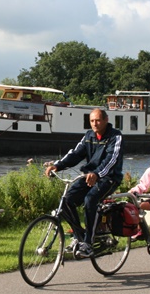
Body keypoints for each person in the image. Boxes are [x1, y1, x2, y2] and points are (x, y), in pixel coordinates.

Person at [44, 108, 123, 258]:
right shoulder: (89, 136)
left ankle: (88, 243)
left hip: (109, 178)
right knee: (67, 201)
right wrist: (57, 165)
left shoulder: (115, 136)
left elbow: (111, 160)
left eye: (98, 120)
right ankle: (79, 237)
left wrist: (97, 174)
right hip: (89, 176)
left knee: (90, 199)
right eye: (92, 121)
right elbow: (76, 153)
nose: (95, 124)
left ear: (106, 120)